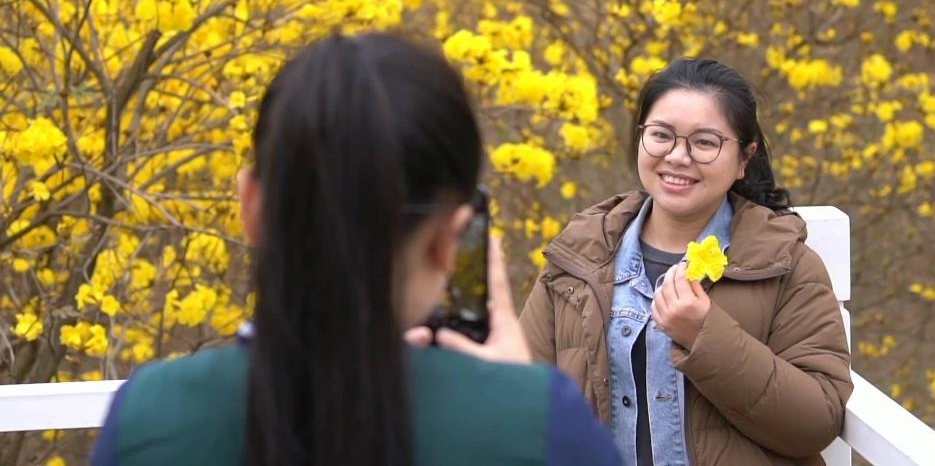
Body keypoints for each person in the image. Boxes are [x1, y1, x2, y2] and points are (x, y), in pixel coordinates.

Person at [91, 34, 622, 466]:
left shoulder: (149, 416)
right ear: (450, 239)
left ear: (251, 206)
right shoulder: (540, 427)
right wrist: (517, 398)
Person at [519, 58, 853, 466]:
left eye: (705, 142)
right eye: (661, 135)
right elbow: (521, 401)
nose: (677, 156)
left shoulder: (785, 263)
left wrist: (705, 336)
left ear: (744, 159)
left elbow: (817, 422)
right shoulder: (577, 259)